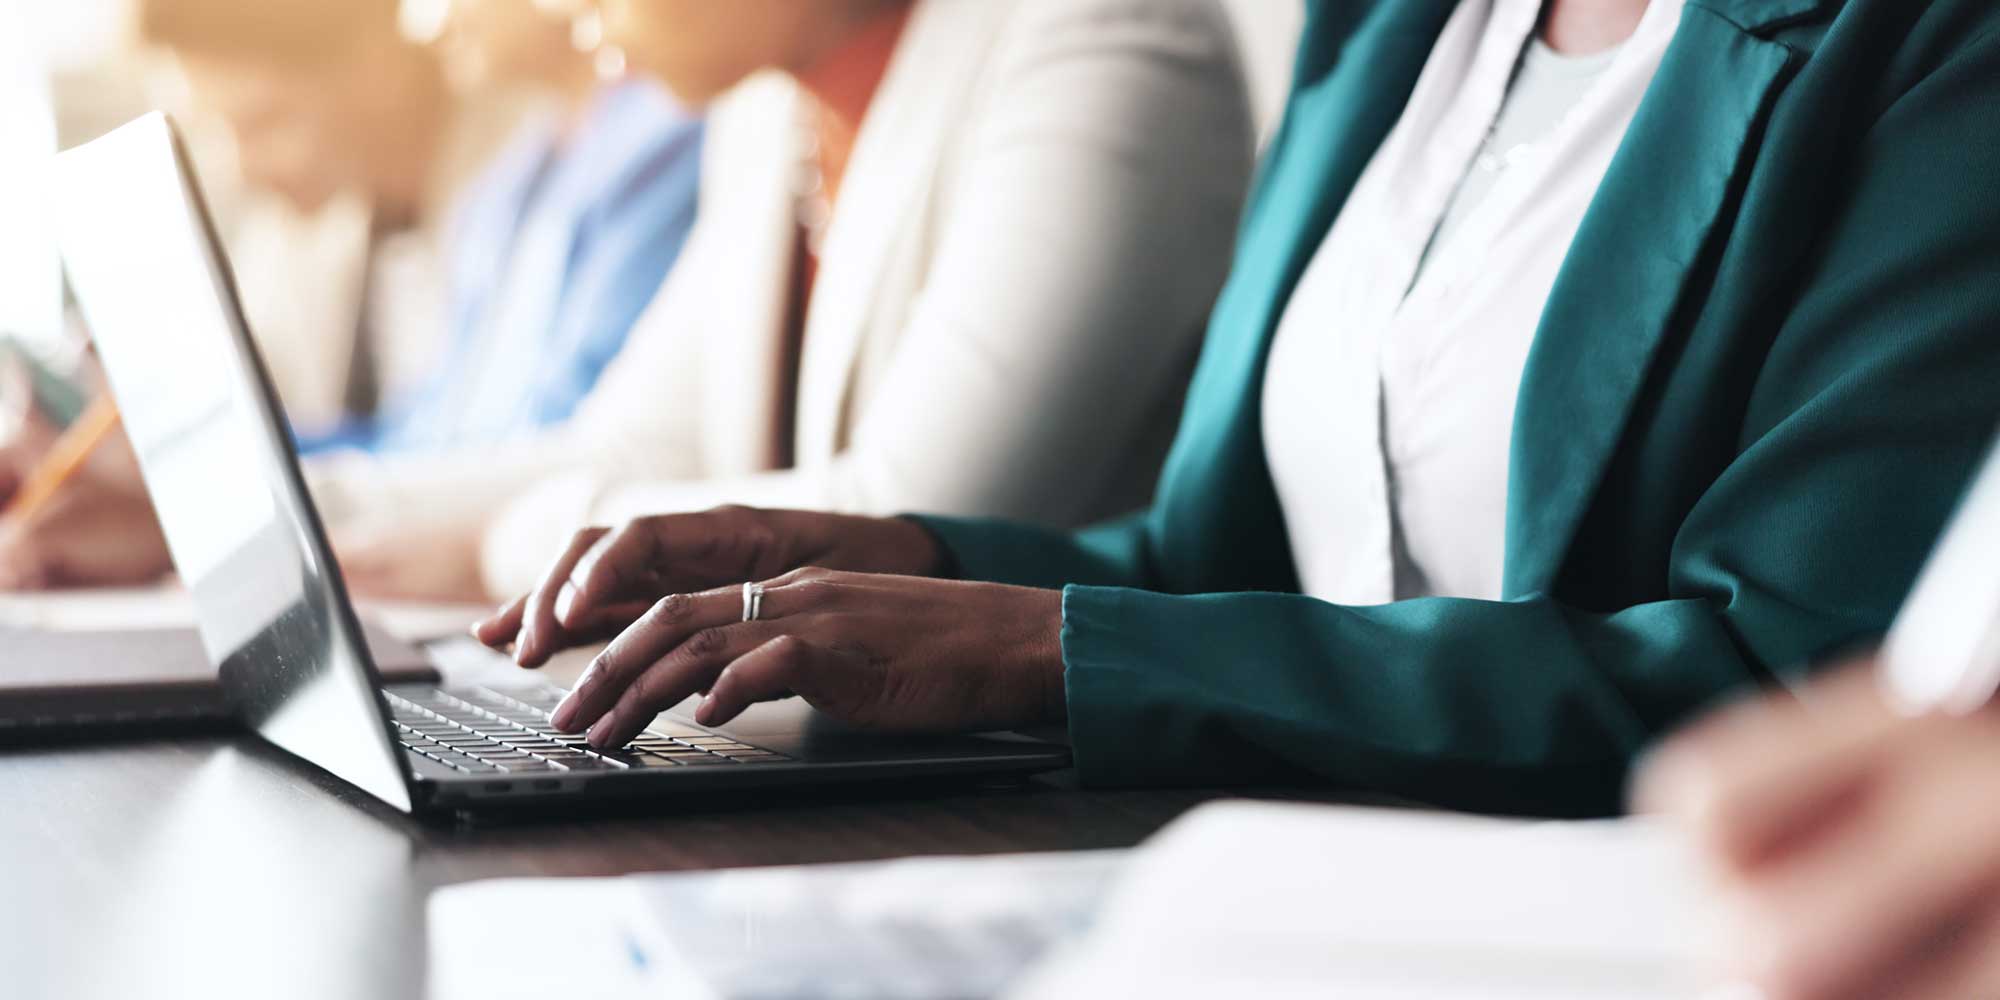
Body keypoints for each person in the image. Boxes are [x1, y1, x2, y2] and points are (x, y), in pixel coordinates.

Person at [475, 0, 2000, 819]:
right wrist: (898, 561)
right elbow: (1233, 553)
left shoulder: (1933, 42)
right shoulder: (1397, 27)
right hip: (1268, 875)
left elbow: (1795, 684)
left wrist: (1053, 646)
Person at [301, 0, 1254, 600]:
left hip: (1060, 784)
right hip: (857, 756)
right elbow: (637, 443)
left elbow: (907, 525)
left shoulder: (1107, 44)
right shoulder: (768, 112)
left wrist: (509, 548)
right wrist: (313, 508)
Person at [0, 0, 705, 593]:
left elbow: (576, 456)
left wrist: (222, 503)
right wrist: (196, 460)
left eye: (266, 123)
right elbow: (429, 435)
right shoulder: (512, 186)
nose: (418, 19)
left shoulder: (662, 142)